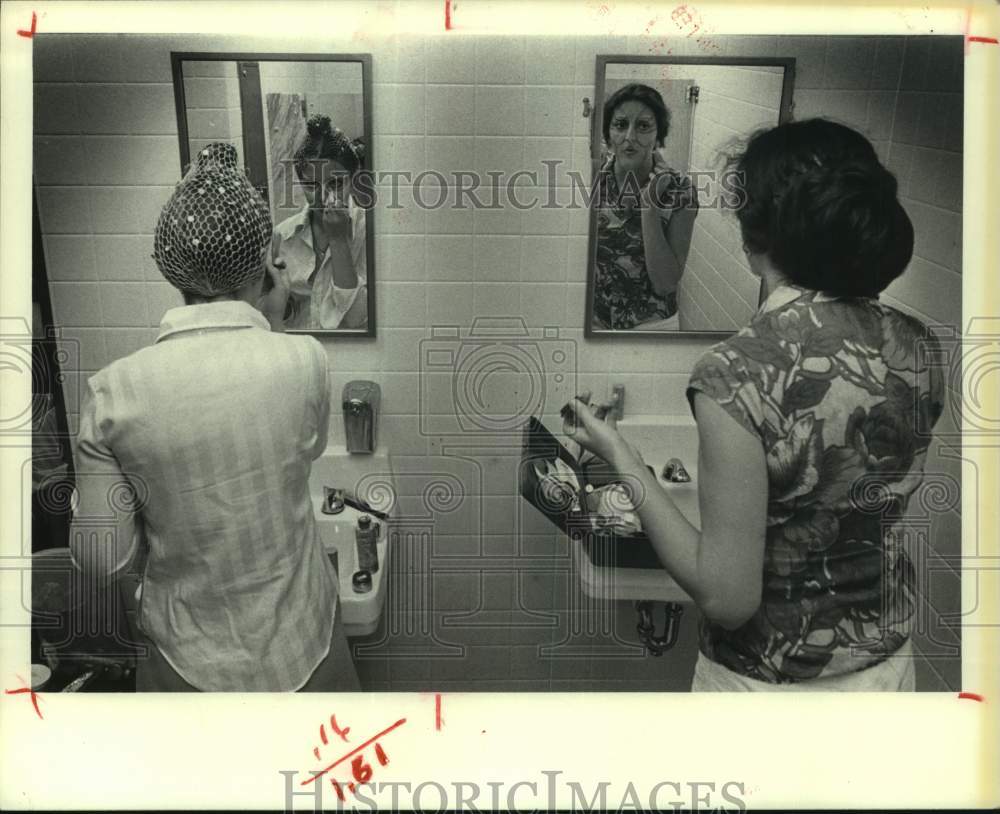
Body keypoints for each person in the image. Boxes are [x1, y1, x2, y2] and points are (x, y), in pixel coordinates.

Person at [566, 119, 943, 690]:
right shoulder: (915, 343)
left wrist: (621, 455)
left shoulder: (739, 370)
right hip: (887, 674)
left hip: (767, 689)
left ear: (754, 231)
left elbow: (725, 598)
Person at [69, 143, 360, 692]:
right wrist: (268, 321)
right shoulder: (305, 361)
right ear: (266, 260)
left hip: (188, 665)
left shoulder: (112, 392)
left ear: (169, 264)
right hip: (306, 647)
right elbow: (307, 452)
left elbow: (103, 558)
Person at [592, 83, 698, 331]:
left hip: (652, 326)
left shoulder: (680, 191)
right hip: (594, 322)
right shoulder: (591, 180)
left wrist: (649, 206)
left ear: (658, 136)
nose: (629, 137)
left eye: (643, 126)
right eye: (620, 125)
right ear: (608, 134)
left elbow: (665, 283)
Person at [274, 114, 368, 331]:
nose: (324, 196)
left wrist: (338, 240)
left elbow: (356, 320)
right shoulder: (282, 236)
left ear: (354, 178)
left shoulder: (370, 233)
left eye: (335, 183)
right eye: (311, 185)